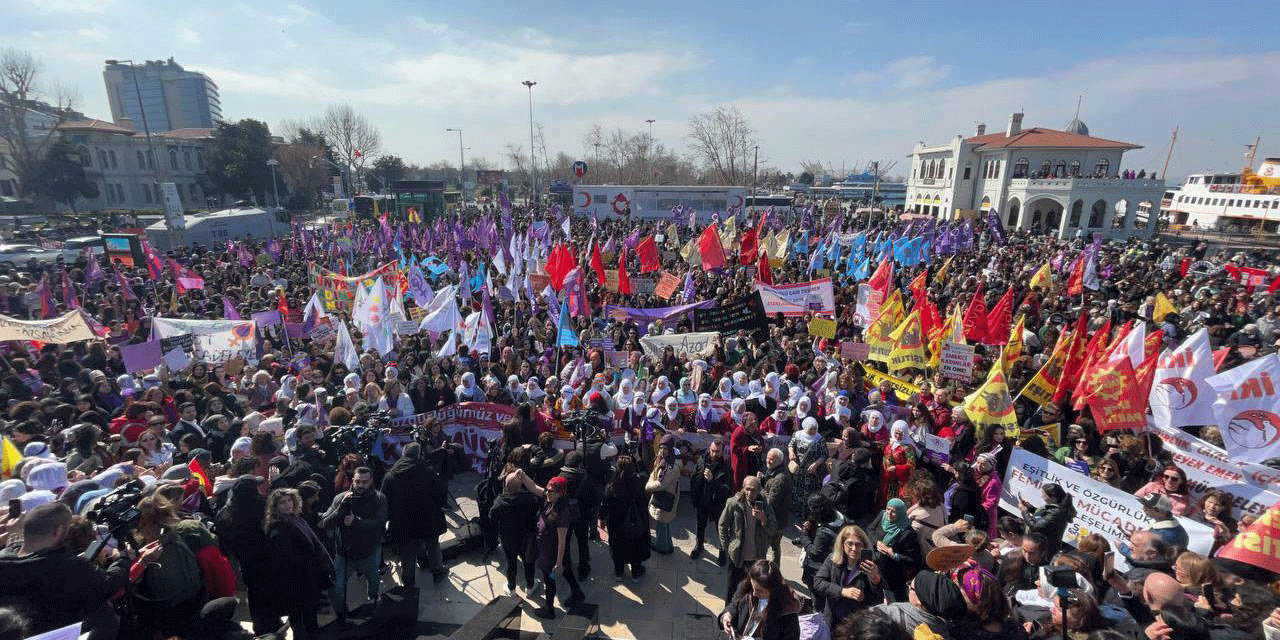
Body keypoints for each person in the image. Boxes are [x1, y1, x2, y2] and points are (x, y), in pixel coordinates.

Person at [0, 503, 131, 640]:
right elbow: (111, 583)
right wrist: (122, 559)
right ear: (58, 531)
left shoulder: (5, 558)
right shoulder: (69, 566)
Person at [319, 466, 387, 621]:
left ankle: (373, 603)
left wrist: (357, 522)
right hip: (344, 554)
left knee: (373, 581)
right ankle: (342, 614)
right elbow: (324, 523)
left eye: (364, 482)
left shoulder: (379, 498)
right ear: (353, 481)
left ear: (371, 481)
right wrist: (340, 509)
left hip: (369, 551)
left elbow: (380, 523)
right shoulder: (341, 498)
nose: (360, 485)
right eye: (357, 481)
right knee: (335, 588)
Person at [264, 488, 333, 640]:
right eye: (282, 502)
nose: (288, 504)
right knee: (299, 621)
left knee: (310, 617)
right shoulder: (278, 528)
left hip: (308, 578)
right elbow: (284, 560)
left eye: (289, 500)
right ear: (275, 506)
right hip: (295, 582)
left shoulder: (296, 519)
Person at [381, 442, 449, 587]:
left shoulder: (390, 476)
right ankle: (437, 572)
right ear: (418, 455)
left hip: (402, 522)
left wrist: (390, 518)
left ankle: (409, 584)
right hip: (428, 519)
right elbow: (441, 493)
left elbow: (383, 500)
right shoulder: (427, 472)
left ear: (403, 455)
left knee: (407, 554)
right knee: (432, 546)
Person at [489, 445, 545, 596]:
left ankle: (511, 588)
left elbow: (491, 517)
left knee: (511, 562)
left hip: (508, 537)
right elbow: (539, 510)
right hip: (527, 536)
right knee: (528, 561)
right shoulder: (531, 500)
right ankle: (530, 586)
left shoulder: (500, 501)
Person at [534, 476, 587, 619]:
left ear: (560, 493)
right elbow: (534, 487)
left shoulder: (562, 512)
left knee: (549, 578)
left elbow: (562, 541)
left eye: (551, 491)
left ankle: (549, 608)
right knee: (567, 571)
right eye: (547, 490)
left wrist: (558, 563)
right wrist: (521, 475)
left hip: (552, 554)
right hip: (548, 549)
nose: (547, 493)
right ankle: (577, 593)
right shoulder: (551, 501)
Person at [719, 475, 778, 603]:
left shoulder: (765, 505)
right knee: (732, 589)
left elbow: (773, 530)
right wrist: (727, 546)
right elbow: (722, 525)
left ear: (759, 490)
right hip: (737, 556)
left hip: (756, 556)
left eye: (753, 490)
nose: (749, 493)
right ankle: (729, 613)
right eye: (747, 489)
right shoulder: (734, 503)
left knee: (753, 591)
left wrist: (764, 519)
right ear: (743, 488)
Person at [813, 525, 884, 629]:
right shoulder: (833, 560)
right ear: (842, 544)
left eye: (858, 545)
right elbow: (818, 582)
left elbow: (877, 599)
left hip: (855, 623)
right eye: (850, 544)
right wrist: (842, 591)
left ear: (864, 546)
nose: (854, 549)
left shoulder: (871, 565)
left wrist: (876, 580)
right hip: (832, 619)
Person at [718, 559, 802, 640]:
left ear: (773, 589)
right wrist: (727, 615)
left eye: (760, 591)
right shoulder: (746, 589)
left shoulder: (787, 610)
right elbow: (734, 605)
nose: (754, 593)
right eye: (753, 588)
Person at [871, 571, 967, 640]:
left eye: (911, 587)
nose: (908, 588)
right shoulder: (944, 631)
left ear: (920, 602)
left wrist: (887, 608)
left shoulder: (886, 615)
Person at [598, 455, 650, 582]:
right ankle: (636, 573)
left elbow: (605, 506)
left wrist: (602, 518)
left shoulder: (612, 486)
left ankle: (619, 573)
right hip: (635, 522)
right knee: (636, 547)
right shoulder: (640, 482)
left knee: (617, 549)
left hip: (616, 525)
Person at [689, 438, 733, 562]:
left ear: (722, 452)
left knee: (720, 529)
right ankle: (699, 545)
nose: (714, 454)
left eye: (717, 452)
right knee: (700, 525)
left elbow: (727, 488)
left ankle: (723, 551)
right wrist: (695, 497)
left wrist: (712, 481)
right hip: (703, 500)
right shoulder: (702, 461)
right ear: (709, 448)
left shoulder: (726, 467)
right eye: (713, 450)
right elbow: (694, 478)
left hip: (717, 503)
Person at [872, 498, 921, 602]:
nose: (889, 513)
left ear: (900, 513)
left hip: (893, 574)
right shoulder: (882, 516)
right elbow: (870, 530)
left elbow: (913, 559)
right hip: (876, 564)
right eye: (888, 509)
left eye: (893, 511)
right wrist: (876, 543)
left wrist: (894, 555)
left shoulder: (908, 533)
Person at [645, 434, 683, 554]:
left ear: (670, 449)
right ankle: (668, 545)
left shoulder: (671, 466)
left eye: (665, 448)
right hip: (666, 496)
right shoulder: (667, 460)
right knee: (665, 522)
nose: (662, 450)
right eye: (661, 447)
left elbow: (661, 484)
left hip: (665, 497)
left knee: (661, 524)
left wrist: (648, 486)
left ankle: (662, 547)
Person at [1018, 483, 1075, 556]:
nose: (1042, 497)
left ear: (1053, 498)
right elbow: (1044, 517)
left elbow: (1035, 526)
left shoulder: (1058, 512)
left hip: (1045, 549)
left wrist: (1024, 511)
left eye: (1044, 495)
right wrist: (1030, 508)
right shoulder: (1055, 508)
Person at [761, 447, 792, 564]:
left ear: (779, 461)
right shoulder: (773, 471)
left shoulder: (780, 478)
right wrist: (763, 480)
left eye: (772, 459)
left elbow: (771, 501)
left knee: (768, 546)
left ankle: (769, 570)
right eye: (768, 458)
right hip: (777, 518)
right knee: (775, 546)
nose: (768, 461)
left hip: (775, 519)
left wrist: (760, 488)